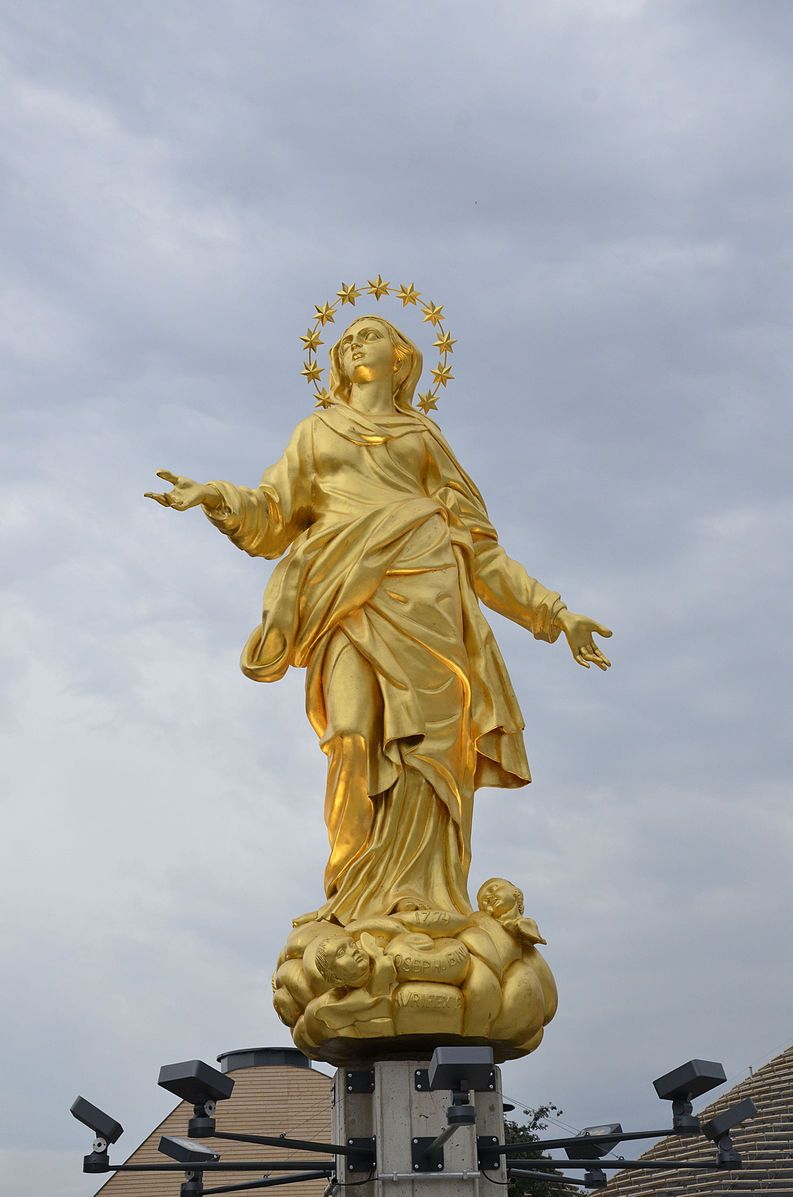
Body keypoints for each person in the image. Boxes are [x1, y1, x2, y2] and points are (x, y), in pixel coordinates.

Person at [146, 315, 611, 924]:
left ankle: (422, 894)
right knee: (350, 735)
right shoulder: (316, 432)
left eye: (369, 332)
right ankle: (350, 887)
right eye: (346, 338)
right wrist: (215, 496)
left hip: (430, 595)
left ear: (402, 356)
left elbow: (484, 551)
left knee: (428, 749)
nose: (351, 340)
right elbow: (272, 513)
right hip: (344, 595)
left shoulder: (424, 439)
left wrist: (554, 612)